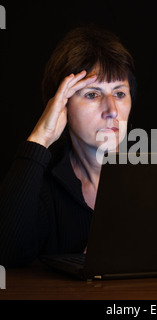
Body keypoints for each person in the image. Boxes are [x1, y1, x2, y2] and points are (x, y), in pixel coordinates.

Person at [0, 26, 136, 267]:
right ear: (61, 106)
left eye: (120, 93)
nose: (112, 110)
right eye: (92, 94)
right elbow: (6, 256)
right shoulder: (41, 188)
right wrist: (41, 137)